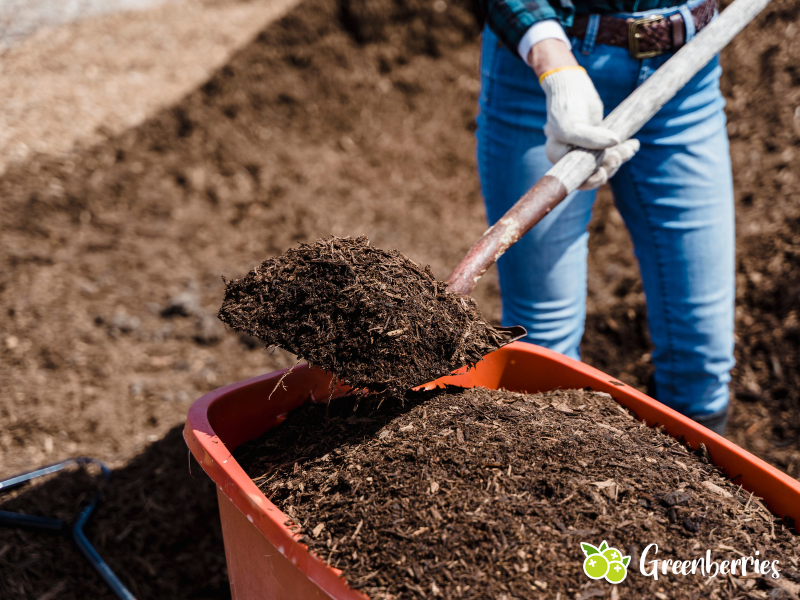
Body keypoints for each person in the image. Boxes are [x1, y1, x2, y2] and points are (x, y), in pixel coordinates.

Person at [476, 0, 732, 434]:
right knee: (545, 348)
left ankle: (687, 497)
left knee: (702, 356)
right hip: (546, 71)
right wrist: (553, 62)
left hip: (687, 69)